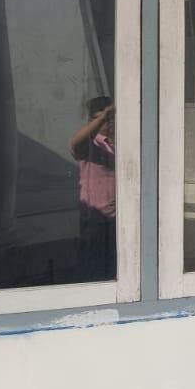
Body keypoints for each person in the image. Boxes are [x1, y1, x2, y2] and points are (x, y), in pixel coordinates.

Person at [68, 95, 116, 281]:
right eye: (102, 119)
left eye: (110, 119)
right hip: (96, 219)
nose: (107, 123)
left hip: (117, 219)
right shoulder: (90, 145)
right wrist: (104, 115)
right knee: (94, 272)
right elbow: (75, 142)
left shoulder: (117, 144)